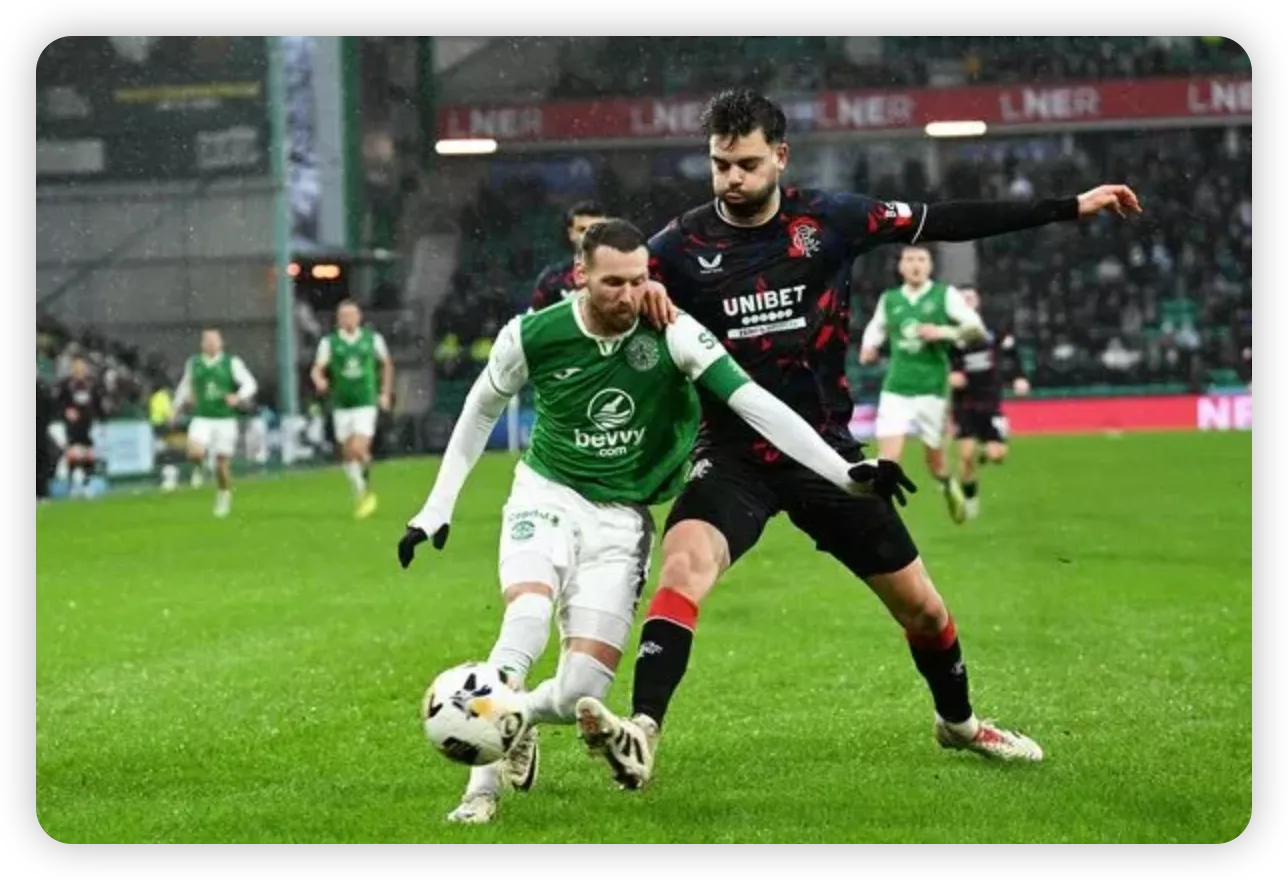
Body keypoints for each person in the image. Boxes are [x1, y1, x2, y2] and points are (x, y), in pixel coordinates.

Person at [573, 88, 1142, 789]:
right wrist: (633, 294)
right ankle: (644, 733)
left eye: (747, 163)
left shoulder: (832, 220)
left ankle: (959, 725)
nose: (732, 179)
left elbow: (948, 219)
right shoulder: (675, 249)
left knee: (924, 609)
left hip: (828, 457)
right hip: (732, 456)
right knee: (683, 570)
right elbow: (587, 297)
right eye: (720, 165)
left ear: (781, 156)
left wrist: (1068, 206)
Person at [397, 218, 914, 824]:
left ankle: (519, 719)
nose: (629, 294)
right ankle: (480, 793)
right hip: (548, 493)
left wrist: (842, 472)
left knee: (580, 694)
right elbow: (479, 410)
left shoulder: (673, 332)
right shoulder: (533, 335)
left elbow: (752, 401)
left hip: (624, 520)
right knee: (528, 616)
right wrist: (436, 507)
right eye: (613, 282)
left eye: (639, 279)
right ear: (581, 277)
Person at [858, 244, 986, 524]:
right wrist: (869, 347)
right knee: (888, 458)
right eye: (909, 259)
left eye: (921, 259)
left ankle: (946, 483)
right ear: (900, 266)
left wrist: (943, 331)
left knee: (935, 459)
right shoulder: (890, 299)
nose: (915, 264)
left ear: (930, 266)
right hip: (896, 387)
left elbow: (975, 328)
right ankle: (881, 518)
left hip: (933, 388)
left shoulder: (945, 295)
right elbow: (876, 327)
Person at [947, 286, 1031, 520]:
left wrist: (1019, 377)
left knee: (997, 455)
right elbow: (940, 362)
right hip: (964, 404)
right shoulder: (950, 334)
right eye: (962, 299)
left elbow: (1012, 352)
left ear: (978, 301)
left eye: (970, 297)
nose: (967, 302)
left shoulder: (992, 331)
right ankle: (971, 502)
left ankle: (984, 452)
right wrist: (950, 375)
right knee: (965, 456)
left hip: (990, 401)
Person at [311, 300, 394, 519]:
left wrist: (385, 393)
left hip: (365, 402)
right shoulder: (329, 342)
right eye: (344, 315)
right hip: (341, 404)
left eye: (352, 315)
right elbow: (317, 369)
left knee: (357, 447)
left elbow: (386, 364)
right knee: (348, 453)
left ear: (359, 317)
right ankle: (362, 492)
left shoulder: (372, 339)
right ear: (338, 319)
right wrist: (319, 380)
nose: (348, 319)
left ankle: (365, 490)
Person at [171, 329, 259, 518]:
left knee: (222, 465)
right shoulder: (194, 363)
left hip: (225, 419)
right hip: (202, 416)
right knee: (195, 452)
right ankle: (199, 466)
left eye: (214, 341)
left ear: (221, 343)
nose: (211, 344)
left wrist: (238, 396)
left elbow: (250, 383)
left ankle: (223, 495)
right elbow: (185, 386)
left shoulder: (231, 362)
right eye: (207, 341)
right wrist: (175, 407)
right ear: (202, 344)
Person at [529, 201, 608, 312]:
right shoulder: (552, 280)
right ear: (571, 233)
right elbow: (535, 323)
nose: (589, 235)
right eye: (582, 229)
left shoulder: (627, 273)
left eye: (596, 229)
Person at [55, 357, 103, 498]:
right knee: (73, 453)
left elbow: (96, 402)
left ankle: (87, 483)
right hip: (72, 425)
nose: (80, 371)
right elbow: (59, 402)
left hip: (87, 423)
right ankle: (72, 485)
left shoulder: (91, 384)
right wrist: (67, 411)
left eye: (82, 368)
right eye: (77, 368)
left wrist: (97, 415)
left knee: (88, 454)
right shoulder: (66, 384)